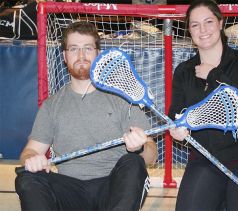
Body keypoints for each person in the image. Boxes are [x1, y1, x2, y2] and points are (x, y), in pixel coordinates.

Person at [15, 21, 158, 211]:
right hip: (70, 191)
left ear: (98, 53)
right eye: (74, 49)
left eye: (87, 48)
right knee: (27, 177)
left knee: (133, 163)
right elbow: (29, 152)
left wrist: (140, 148)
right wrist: (32, 159)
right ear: (65, 56)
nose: (81, 55)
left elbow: (152, 154)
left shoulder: (123, 99)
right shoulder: (51, 106)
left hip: (112, 189)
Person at [168, 0, 238, 210]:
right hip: (205, 159)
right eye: (195, 25)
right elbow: (175, 113)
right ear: (189, 30)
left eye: (208, 22)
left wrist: (214, 76)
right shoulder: (184, 71)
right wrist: (177, 129)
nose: (202, 30)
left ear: (220, 23)